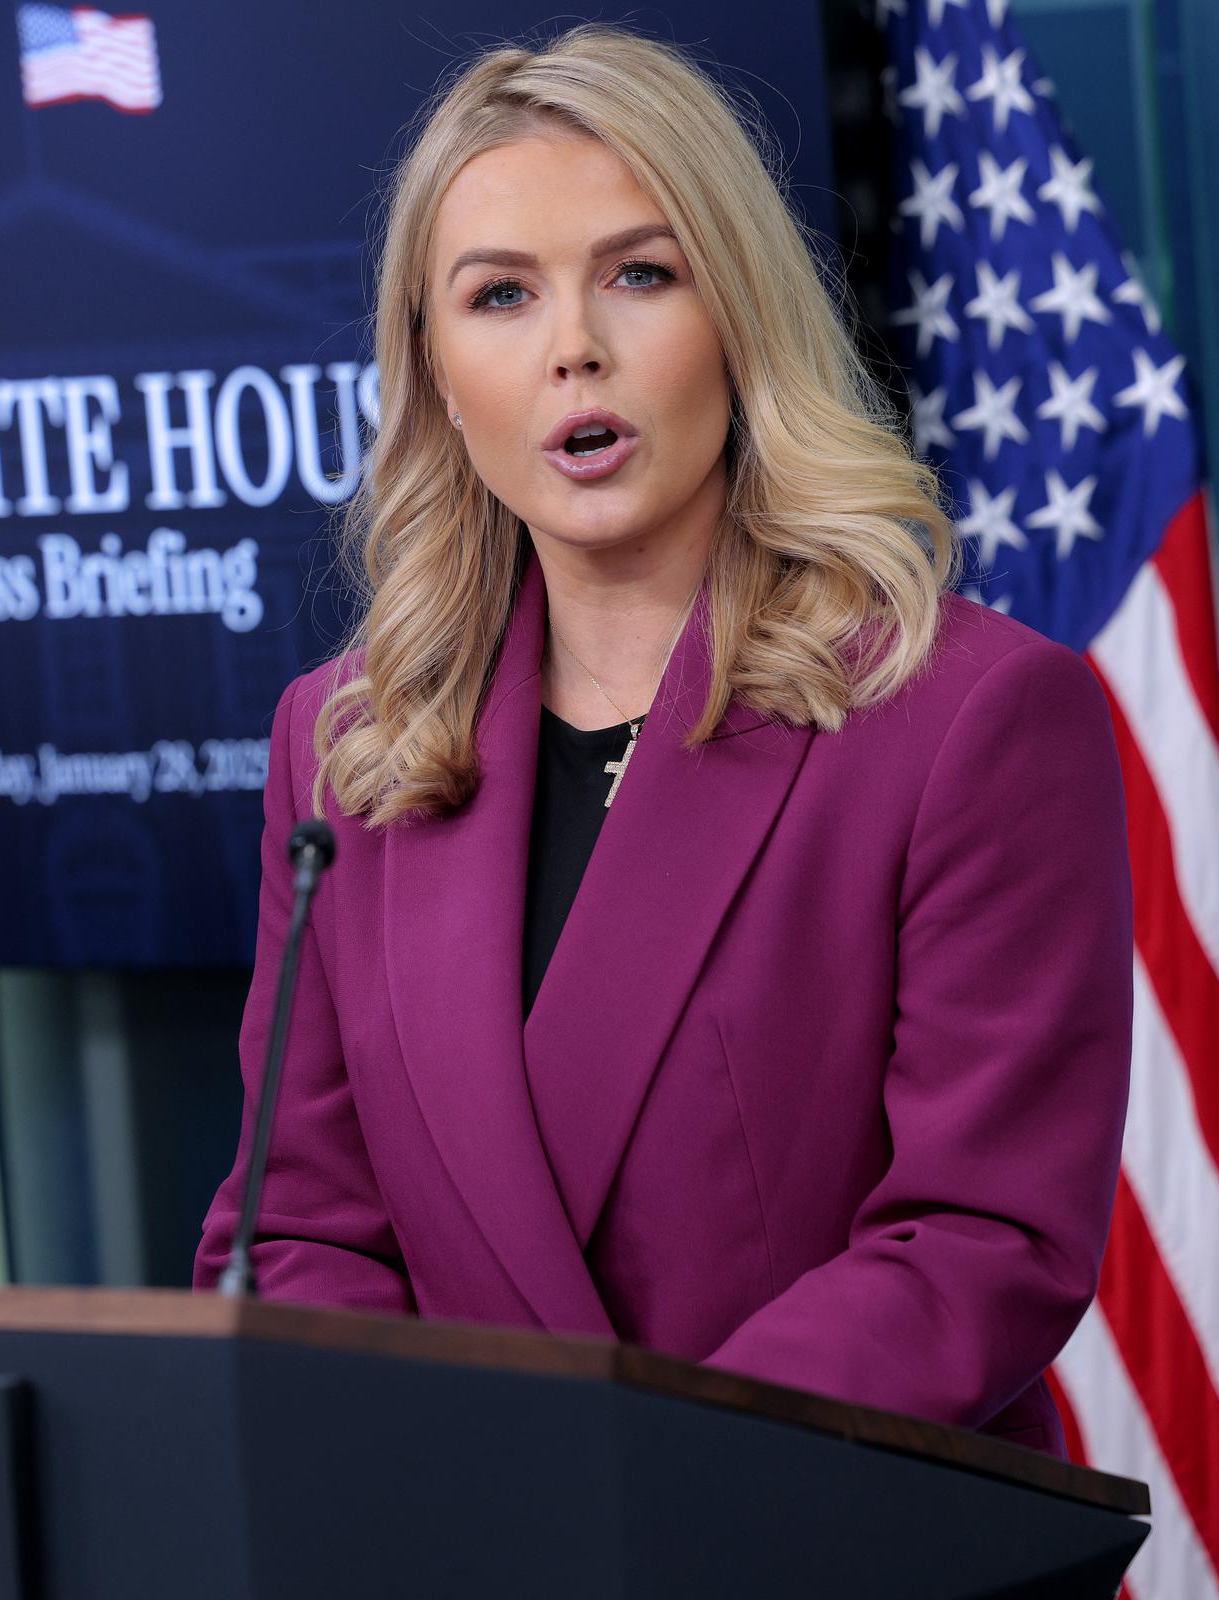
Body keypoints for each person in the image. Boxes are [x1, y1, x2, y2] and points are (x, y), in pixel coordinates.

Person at [192, 22, 1132, 1458]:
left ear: (740, 317)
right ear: (436, 369)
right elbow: (302, 1231)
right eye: (500, 296)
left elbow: (978, 1240)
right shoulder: (345, 747)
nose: (575, 349)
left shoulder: (968, 716)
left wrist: (654, 1487)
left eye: (640, 274)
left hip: (825, 1539)